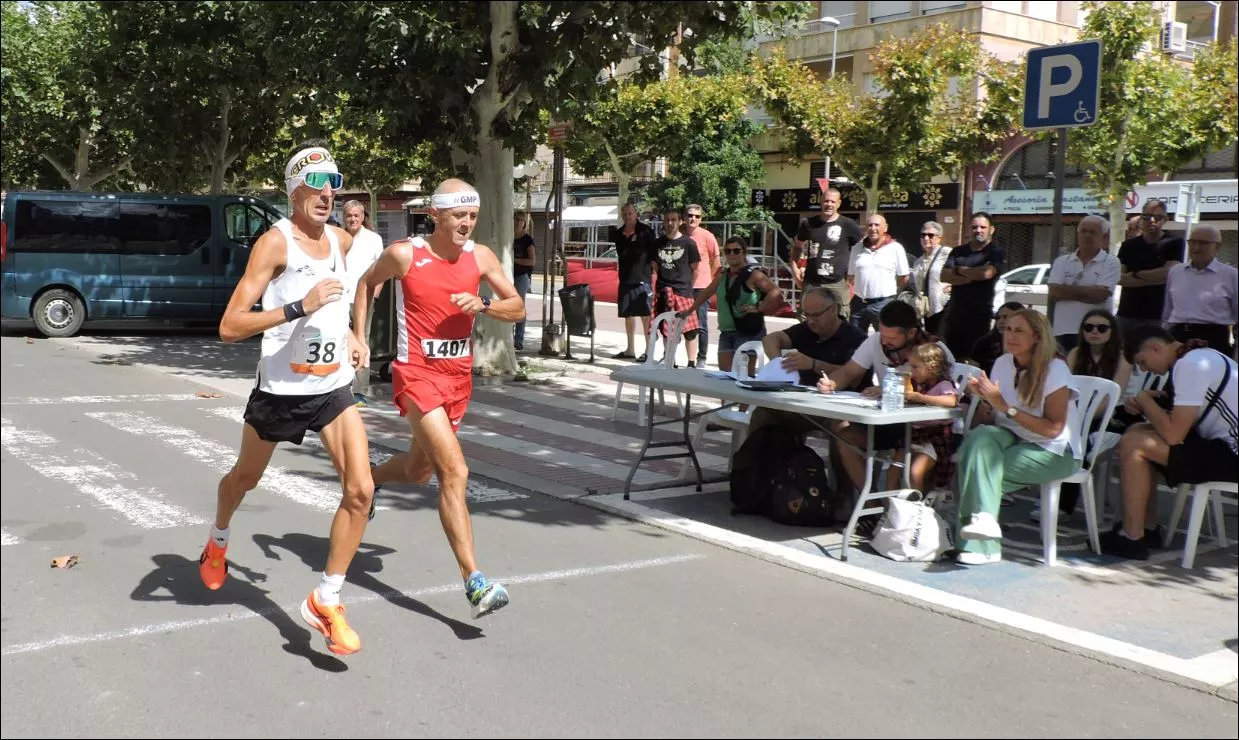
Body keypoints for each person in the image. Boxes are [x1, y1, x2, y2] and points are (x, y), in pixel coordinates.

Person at [200, 143, 372, 656]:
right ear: (294, 189)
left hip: (332, 387)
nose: (327, 193)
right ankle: (219, 536)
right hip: (279, 390)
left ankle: (326, 598)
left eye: (333, 183)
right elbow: (230, 327)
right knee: (243, 479)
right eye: (316, 184)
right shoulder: (275, 245)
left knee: (361, 491)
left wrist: (356, 334)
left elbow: (359, 292)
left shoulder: (342, 239)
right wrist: (299, 305)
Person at [352, 178, 525, 618]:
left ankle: (369, 480)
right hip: (416, 377)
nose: (466, 223)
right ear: (436, 215)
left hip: (458, 380)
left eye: (472, 215)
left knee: (417, 470)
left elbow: (517, 306)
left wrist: (483, 305)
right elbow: (365, 284)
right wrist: (360, 337)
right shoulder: (406, 254)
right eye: (458, 215)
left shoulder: (480, 256)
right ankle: (475, 581)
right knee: (455, 471)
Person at [953, 309, 1081, 566]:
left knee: (977, 466)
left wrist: (1002, 405)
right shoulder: (1002, 363)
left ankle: (979, 545)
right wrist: (981, 399)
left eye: (1019, 330)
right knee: (979, 439)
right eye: (1007, 329)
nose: (1010, 335)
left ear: (1036, 336)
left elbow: (1053, 429)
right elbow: (994, 419)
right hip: (1013, 437)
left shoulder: (1055, 369)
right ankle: (981, 532)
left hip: (1055, 449)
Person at [1101, 326, 1239, 560]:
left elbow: (1174, 435)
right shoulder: (1197, 356)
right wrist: (1147, 408)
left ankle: (1132, 536)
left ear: (1156, 347)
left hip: (1232, 456)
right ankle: (1147, 528)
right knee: (1137, 432)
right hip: (1221, 448)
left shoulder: (1191, 365)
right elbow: (1175, 423)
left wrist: (1145, 400)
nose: (1145, 369)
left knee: (1135, 442)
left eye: (1143, 362)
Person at [817, 300, 955, 500]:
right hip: (889, 422)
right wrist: (832, 383)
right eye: (883, 335)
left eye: (892, 337)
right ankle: (871, 504)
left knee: (907, 469)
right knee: (843, 435)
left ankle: (905, 514)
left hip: (924, 429)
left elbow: (949, 394)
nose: (885, 342)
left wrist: (893, 391)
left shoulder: (934, 350)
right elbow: (849, 371)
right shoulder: (877, 341)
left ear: (911, 333)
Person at [1033, 309, 1131, 522]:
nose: (1094, 332)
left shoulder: (1123, 360)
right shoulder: (1076, 353)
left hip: (1111, 416)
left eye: (1101, 328)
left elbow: (1112, 399)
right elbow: (1063, 390)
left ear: (1112, 332)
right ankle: (1051, 490)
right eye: (1089, 327)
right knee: (1054, 431)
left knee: (1076, 436)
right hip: (1076, 413)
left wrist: (1079, 419)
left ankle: (1063, 504)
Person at [749, 287, 866, 434]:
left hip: (837, 407)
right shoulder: (805, 330)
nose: (810, 321)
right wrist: (778, 363)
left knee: (842, 427)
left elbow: (853, 376)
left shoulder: (855, 338)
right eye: (806, 315)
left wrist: (813, 364)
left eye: (816, 315)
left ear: (833, 309)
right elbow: (771, 339)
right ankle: (756, 456)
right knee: (763, 413)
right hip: (801, 404)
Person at [678, 235, 782, 374]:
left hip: (747, 332)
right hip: (726, 333)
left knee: (744, 377)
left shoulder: (754, 275)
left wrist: (759, 308)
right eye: (727, 251)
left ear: (744, 252)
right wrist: (689, 310)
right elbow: (706, 293)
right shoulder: (723, 275)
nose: (731, 254)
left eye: (736, 251)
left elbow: (775, 292)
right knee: (725, 378)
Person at [877, 343, 960, 494]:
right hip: (912, 435)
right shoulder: (916, 384)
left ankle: (916, 509)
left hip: (934, 438)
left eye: (915, 367)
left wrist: (921, 398)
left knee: (915, 472)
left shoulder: (943, 384)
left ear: (932, 367)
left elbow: (952, 401)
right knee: (893, 469)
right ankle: (889, 508)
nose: (911, 371)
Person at [1046, 215, 1120, 353]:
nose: (1087, 235)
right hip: (1064, 329)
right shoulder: (1062, 261)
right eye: (1083, 231)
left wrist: (1067, 291)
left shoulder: (1111, 262)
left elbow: (1101, 295)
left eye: (1092, 232)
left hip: (1097, 331)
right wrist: (1089, 292)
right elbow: (1055, 292)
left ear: (1104, 237)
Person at [1162, 224, 1237, 359]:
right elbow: (1168, 310)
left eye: (1203, 243)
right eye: (1193, 242)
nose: (1196, 248)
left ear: (1217, 246)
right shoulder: (1176, 272)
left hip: (1213, 338)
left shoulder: (1230, 275)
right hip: (1178, 336)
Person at [789, 187, 864, 319]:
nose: (829, 204)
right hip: (812, 282)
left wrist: (854, 273)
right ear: (821, 201)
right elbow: (798, 246)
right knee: (807, 320)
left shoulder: (848, 225)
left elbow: (863, 248)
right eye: (826, 201)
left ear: (839, 203)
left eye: (833, 202)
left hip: (837, 283)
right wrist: (795, 270)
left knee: (841, 321)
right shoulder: (808, 224)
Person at [941, 211, 1006, 362]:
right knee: (951, 361)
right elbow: (944, 276)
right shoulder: (958, 251)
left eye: (983, 227)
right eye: (975, 227)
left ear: (991, 229)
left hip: (979, 318)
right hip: (955, 317)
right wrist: (971, 275)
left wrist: (958, 270)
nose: (979, 230)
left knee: (974, 362)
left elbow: (986, 274)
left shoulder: (996, 252)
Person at [1116, 200, 1181, 342]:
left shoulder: (1175, 243)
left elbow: (1168, 274)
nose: (1151, 221)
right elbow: (1119, 278)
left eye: (1157, 217)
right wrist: (1154, 277)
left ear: (1165, 220)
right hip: (1127, 314)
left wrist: (1134, 274)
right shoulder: (1128, 245)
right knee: (1122, 358)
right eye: (1146, 217)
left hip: (1157, 315)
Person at [341, 200, 386, 407]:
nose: (352, 219)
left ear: (362, 216)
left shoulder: (373, 239)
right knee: (337, 340)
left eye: (356, 216)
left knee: (361, 340)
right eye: (349, 215)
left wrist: (374, 296)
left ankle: (358, 391)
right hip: (338, 298)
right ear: (344, 217)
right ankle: (338, 387)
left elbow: (381, 273)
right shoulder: (335, 237)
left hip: (364, 299)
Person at [649, 207, 701, 367]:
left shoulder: (689, 243)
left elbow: (696, 270)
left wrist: (688, 288)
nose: (670, 223)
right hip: (664, 292)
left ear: (680, 221)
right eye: (667, 220)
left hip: (684, 292)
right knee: (667, 330)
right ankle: (670, 361)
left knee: (690, 331)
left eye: (673, 220)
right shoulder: (657, 243)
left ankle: (691, 363)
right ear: (664, 222)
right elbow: (655, 269)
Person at [847, 212, 910, 333]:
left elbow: (904, 277)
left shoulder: (895, 248)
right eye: (870, 225)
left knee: (885, 342)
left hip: (883, 304)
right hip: (859, 304)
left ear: (885, 228)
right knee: (855, 343)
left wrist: (891, 296)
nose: (873, 228)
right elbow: (850, 277)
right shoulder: (857, 248)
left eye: (877, 225)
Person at [611, 202, 658, 361]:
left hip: (643, 279)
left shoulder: (646, 231)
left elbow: (654, 253)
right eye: (625, 214)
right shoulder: (618, 234)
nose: (628, 217)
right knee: (628, 315)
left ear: (635, 214)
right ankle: (630, 349)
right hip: (625, 279)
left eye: (630, 214)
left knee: (645, 315)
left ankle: (648, 350)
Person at [683, 204, 720, 365]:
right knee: (679, 322)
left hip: (701, 287)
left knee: (701, 323)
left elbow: (716, 261)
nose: (693, 219)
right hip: (682, 286)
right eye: (690, 215)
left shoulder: (707, 236)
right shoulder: (679, 235)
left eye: (697, 216)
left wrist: (710, 282)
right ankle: (670, 354)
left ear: (701, 219)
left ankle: (701, 358)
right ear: (684, 217)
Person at [910, 221, 951, 336]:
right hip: (927, 311)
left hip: (944, 308)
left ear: (939, 238)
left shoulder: (947, 253)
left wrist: (953, 286)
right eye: (923, 235)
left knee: (941, 342)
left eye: (930, 235)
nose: (926, 238)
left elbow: (961, 273)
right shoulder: (918, 261)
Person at [970, 301, 1025, 376]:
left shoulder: (1028, 344)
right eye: (998, 318)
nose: (1000, 321)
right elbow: (972, 372)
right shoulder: (984, 343)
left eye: (1005, 317)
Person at [512, 212, 536, 351]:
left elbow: (532, 261)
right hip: (507, 275)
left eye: (521, 220)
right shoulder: (507, 235)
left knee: (519, 306)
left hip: (521, 276)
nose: (518, 222)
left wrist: (514, 260)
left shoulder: (527, 239)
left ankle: (519, 340)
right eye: (516, 219)